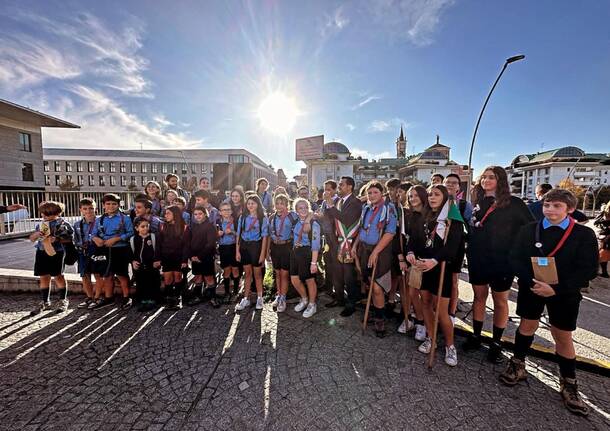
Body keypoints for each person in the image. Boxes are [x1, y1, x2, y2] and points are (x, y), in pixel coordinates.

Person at [501, 189, 598, 415]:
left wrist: (555, 289)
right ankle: (518, 364)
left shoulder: (583, 235)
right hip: (532, 287)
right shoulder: (529, 230)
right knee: (526, 326)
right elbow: (515, 258)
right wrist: (531, 281)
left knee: (562, 334)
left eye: (557, 206)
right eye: (547, 205)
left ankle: (569, 381)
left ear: (570, 209)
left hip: (564, 293)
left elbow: (588, 269)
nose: (550, 210)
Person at [463, 166, 534, 362]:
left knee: (500, 301)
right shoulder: (477, 201)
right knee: (479, 297)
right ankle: (476, 335)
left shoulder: (514, 203)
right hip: (478, 258)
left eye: (491, 177)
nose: (486, 180)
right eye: (483, 177)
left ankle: (496, 341)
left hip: (502, 261)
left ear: (500, 180)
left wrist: (517, 254)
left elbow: (530, 229)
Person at [406, 185, 464, 366]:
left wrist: (435, 261)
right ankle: (432, 339)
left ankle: (450, 346)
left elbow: (452, 249)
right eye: (430, 194)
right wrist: (410, 253)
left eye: (436, 194)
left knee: (441, 311)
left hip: (440, 268)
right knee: (426, 304)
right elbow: (414, 240)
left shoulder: (452, 220)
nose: (431, 197)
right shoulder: (423, 217)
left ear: (445, 197)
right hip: (423, 267)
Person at [351, 181, 397, 337]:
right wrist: (354, 246)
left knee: (377, 286)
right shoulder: (366, 208)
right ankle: (375, 311)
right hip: (364, 249)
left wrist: (376, 252)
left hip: (380, 252)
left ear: (382, 193)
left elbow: (390, 233)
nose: (371, 195)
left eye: (375, 192)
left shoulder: (388, 209)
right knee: (368, 282)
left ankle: (379, 319)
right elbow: (362, 229)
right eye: (369, 193)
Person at [323, 176, 362, 317]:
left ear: (350, 187)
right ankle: (339, 298)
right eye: (339, 184)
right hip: (337, 243)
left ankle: (351, 304)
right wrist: (328, 205)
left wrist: (330, 205)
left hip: (349, 244)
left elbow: (346, 220)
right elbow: (330, 216)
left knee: (349, 276)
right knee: (337, 273)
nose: (339, 186)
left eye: (341, 184)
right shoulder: (338, 201)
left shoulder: (356, 202)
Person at [29, 201, 74, 315]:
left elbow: (69, 238)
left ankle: (63, 300)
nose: (44, 216)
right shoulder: (41, 224)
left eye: (47, 214)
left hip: (56, 253)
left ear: (57, 213)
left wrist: (57, 239)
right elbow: (32, 238)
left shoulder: (63, 223)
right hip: (42, 251)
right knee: (43, 276)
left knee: (58, 276)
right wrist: (36, 235)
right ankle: (45, 301)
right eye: (43, 213)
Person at [91, 194, 135, 310]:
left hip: (120, 250)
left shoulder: (124, 218)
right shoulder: (99, 219)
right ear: (103, 205)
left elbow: (131, 232)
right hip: (104, 250)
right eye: (108, 204)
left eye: (114, 204)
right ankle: (108, 297)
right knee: (107, 275)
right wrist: (96, 239)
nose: (111, 206)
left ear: (118, 205)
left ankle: (127, 297)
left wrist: (117, 238)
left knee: (122, 275)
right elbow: (93, 233)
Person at [399, 185, 430, 341]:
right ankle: (419, 321)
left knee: (425, 297)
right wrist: (408, 254)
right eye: (410, 196)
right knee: (412, 293)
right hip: (413, 260)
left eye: (416, 195)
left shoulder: (431, 215)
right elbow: (408, 239)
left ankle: (426, 324)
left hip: (429, 261)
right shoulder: (409, 215)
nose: (412, 199)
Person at [443, 173, 473, 323]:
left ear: (458, 187)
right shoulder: (436, 201)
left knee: (454, 280)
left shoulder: (464, 205)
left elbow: (469, 226)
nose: (450, 185)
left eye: (454, 183)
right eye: (447, 182)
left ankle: (452, 311)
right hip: (439, 246)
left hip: (457, 247)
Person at [235, 195, 270, 311]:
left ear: (258, 204)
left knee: (258, 274)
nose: (250, 205)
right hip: (245, 246)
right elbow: (239, 235)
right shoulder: (243, 217)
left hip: (256, 246)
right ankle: (246, 298)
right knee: (247, 274)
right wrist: (237, 251)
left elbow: (265, 237)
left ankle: (260, 297)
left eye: (253, 203)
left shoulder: (263, 218)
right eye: (249, 203)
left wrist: (262, 254)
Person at [291, 198, 322, 318]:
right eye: (300, 208)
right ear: (296, 210)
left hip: (307, 252)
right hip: (295, 252)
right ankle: (304, 299)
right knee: (294, 279)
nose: (303, 210)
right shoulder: (295, 221)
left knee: (310, 280)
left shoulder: (314, 224)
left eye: (305, 207)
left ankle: (312, 304)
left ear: (308, 208)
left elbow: (315, 245)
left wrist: (314, 263)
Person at [268, 194, 298, 313]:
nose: (279, 206)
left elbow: (297, 228)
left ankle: (283, 298)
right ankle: (279, 294)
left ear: (286, 205)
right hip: (275, 247)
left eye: (282, 203)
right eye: (277, 203)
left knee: (284, 273)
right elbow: (270, 232)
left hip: (286, 247)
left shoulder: (292, 216)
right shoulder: (271, 217)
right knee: (277, 273)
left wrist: (287, 239)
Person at [155, 205, 189, 309]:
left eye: (168, 213)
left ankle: (178, 298)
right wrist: (157, 258)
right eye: (165, 213)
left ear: (175, 214)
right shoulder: (162, 226)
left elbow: (186, 245)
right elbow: (158, 244)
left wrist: (184, 260)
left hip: (178, 257)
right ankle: (169, 299)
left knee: (178, 277)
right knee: (167, 278)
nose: (165, 215)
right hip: (166, 256)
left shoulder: (184, 227)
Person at [185, 206, 219, 306]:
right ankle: (197, 297)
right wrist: (192, 256)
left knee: (209, 278)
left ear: (205, 214)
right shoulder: (193, 227)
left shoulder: (210, 226)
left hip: (206, 256)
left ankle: (213, 297)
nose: (198, 216)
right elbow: (189, 243)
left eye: (200, 214)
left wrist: (200, 256)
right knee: (198, 277)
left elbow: (210, 244)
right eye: (195, 214)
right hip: (195, 256)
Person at [73, 198, 101, 309]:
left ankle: (97, 297)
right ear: (81, 210)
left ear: (96, 209)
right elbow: (75, 239)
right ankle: (90, 297)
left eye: (91, 208)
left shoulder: (99, 222)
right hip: (82, 252)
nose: (88, 211)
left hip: (96, 251)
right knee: (85, 276)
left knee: (98, 275)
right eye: (85, 209)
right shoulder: (77, 224)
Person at [130, 218, 161, 312]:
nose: (145, 228)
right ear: (136, 228)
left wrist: (157, 260)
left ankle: (152, 300)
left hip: (152, 266)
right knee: (141, 283)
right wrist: (133, 261)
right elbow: (131, 252)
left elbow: (158, 250)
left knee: (152, 283)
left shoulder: (153, 237)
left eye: (147, 226)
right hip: (139, 266)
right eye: (142, 226)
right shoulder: (133, 239)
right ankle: (143, 301)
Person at [318, 180, 340, 306]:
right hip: (326, 236)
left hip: (335, 237)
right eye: (325, 189)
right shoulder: (324, 202)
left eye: (329, 189)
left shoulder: (337, 201)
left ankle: (338, 293)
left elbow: (336, 217)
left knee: (336, 264)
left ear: (335, 190)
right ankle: (328, 288)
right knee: (328, 262)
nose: (326, 192)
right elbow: (323, 217)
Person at [385, 178, 403, 317]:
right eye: (389, 189)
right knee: (388, 271)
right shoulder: (385, 203)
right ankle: (386, 296)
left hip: (400, 243)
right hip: (386, 242)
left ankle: (392, 299)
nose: (391, 192)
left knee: (397, 274)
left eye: (393, 189)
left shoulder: (403, 205)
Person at [217, 202, 241, 300]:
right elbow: (214, 236)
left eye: (228, 209)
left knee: (235, 269)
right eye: (224, 210)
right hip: (223, 248)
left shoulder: (235, 221)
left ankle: (235, 292)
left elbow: (239, 235)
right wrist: (217, 234)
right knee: (226, 270)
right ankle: (227, 292)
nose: (226, 211)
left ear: (231, 211)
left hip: (234, 247)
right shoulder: (218, 222)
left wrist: (232, 232)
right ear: (220, 212)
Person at [595, 203, 610, 277]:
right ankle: (604, 272)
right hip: (606, 235)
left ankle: (604, 273)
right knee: (603, 254)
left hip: (607, 236)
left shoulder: (606, 211)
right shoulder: (606, 211)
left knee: (603, 254)